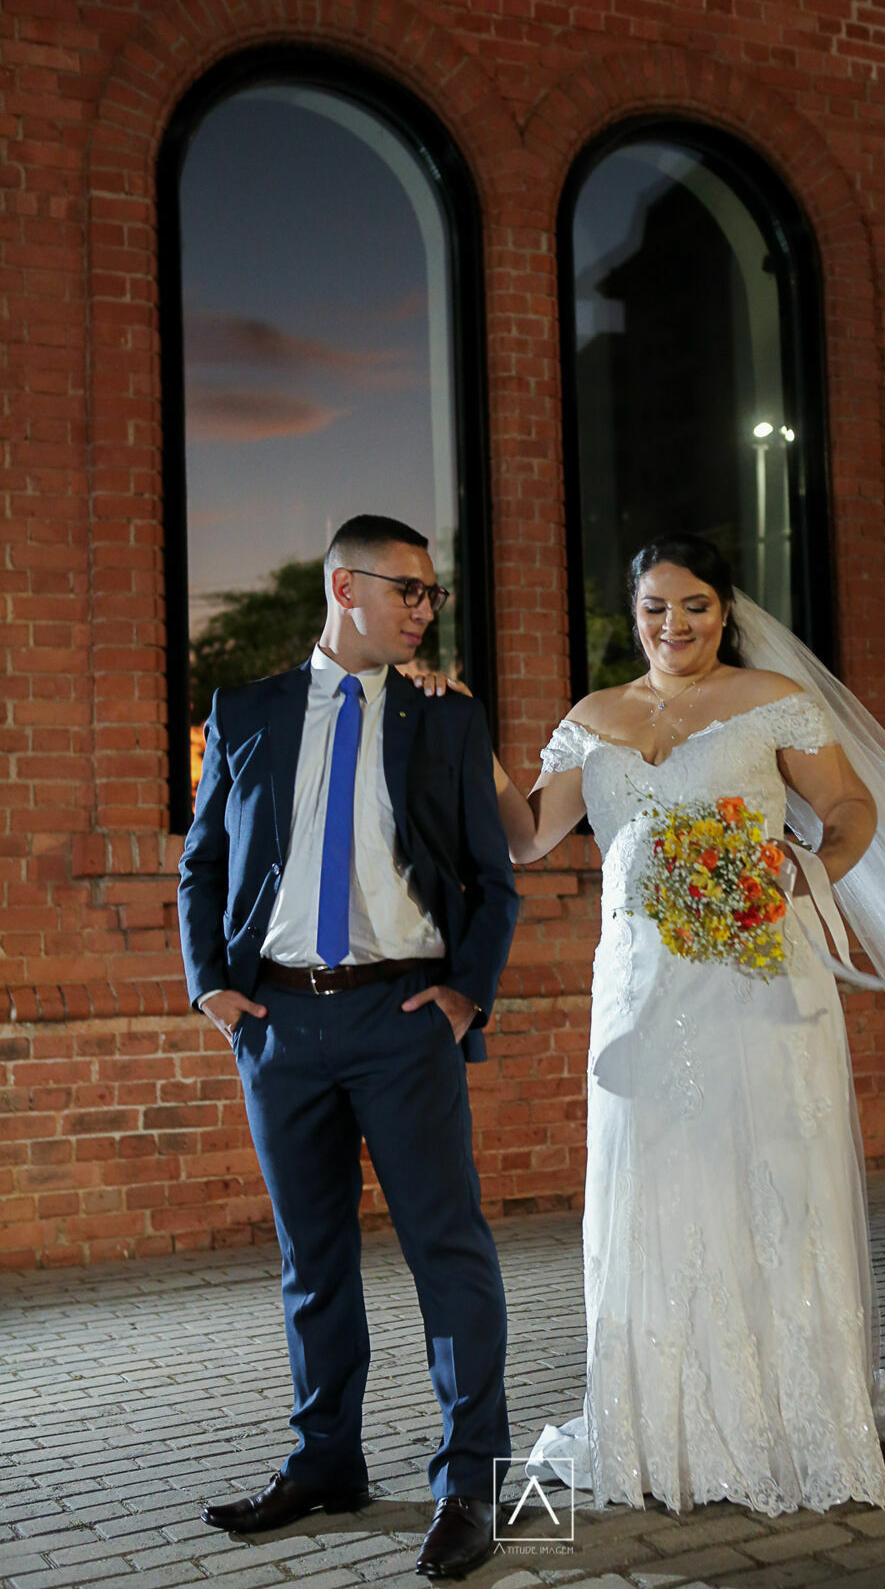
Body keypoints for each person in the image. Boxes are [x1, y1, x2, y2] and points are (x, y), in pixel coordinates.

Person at [476, 532, 885, 1515]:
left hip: (755, 981)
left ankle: (788, 1415)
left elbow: (848, 810)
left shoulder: (769, 701)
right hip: (641, 991)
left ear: (721, 610)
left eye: (691, 605)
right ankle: (667, 1422)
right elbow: (525, 838)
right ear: (631, 611)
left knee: (764, 1175)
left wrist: (795, 869)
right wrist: (466, 734)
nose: (672, 625)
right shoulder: (595, 717)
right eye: (654, 607)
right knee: (656, 1187)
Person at [177, 514, 518, 1578]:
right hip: (278, 1023)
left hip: (400, 1018)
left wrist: (464, 994)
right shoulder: (246, 710)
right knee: (310, 1260)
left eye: (431, 594)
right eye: (407, 590)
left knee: (445, 1251)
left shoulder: (445, 719)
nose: (424, 608)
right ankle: (326, 1461)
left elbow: (491, 877)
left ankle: (473, 1483)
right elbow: (201, 865)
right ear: (344, 587)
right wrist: (213, 990)